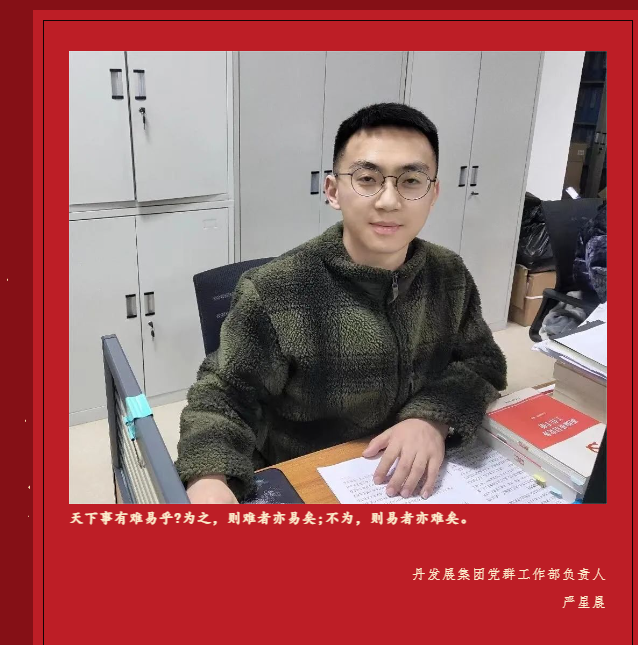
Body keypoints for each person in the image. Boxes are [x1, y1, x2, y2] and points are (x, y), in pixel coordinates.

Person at [176, 102, 507, 504]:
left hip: (415, 479)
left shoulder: (448, 273)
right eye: (367, 179)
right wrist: (209, 478)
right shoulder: (276, 290)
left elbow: (482, 361)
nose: (389, 200)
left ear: (433, 194)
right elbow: (223, 395)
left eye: (410, 181)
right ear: (333, 191)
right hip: (310, 481)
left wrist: (430, 418)